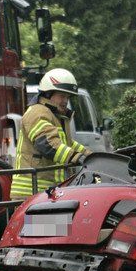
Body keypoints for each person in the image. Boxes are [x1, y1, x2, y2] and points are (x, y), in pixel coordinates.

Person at [9, 68, 92, 199]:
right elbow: (48, 144)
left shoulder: (55, 116)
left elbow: (67, 144)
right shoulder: (38, 112)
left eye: (68, 97)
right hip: (31, 192)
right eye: (62, 96)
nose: (65, 101)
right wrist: (77, 157)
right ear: (48, 94)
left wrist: (91, 156)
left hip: (46, 193)